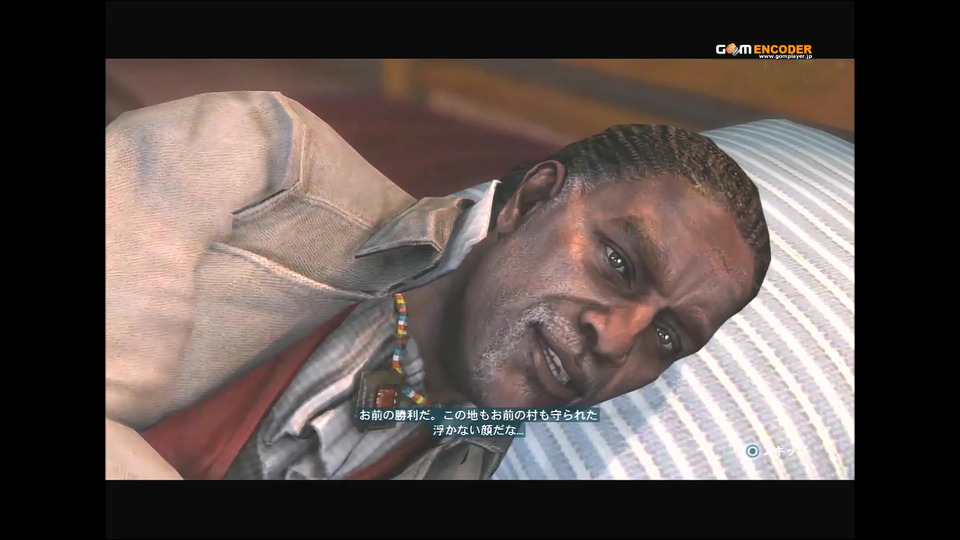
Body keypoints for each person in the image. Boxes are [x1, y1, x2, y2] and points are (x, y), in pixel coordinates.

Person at [105, 91, 770, 480]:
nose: (617, 339)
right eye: (619, 264)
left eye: (666, 336)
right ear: (530, 201)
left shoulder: (476, 460)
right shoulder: (258, 161)